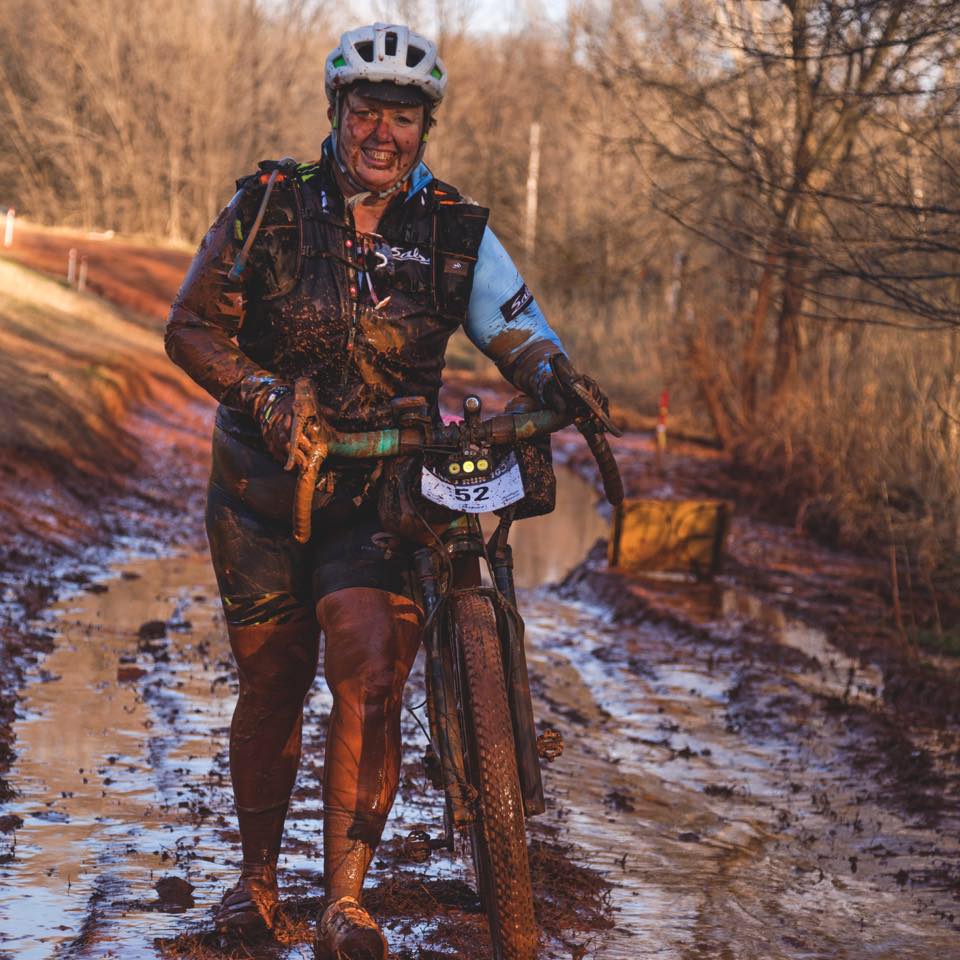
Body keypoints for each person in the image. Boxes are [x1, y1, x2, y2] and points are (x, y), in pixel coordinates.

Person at [165, 22, 608, 959]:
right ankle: (256, 885)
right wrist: (263, 394)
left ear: (424, 128)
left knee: (370, 673)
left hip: (384, 489)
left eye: (402, 118)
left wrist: (554, 375)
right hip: (260, 488)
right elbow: (192, 328)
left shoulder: (452, 228)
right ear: (337, 112)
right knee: (274, 680)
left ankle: (345, 904)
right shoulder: (269, 205)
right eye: (367, 111)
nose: (382, 133)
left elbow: (517, 327)